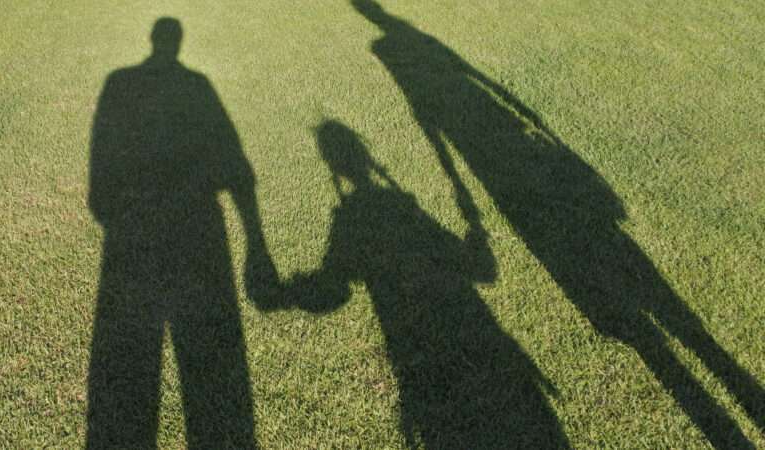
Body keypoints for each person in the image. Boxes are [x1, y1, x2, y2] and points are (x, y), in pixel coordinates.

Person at [351, 1, 764, 446]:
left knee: (648, 315)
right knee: (651, 310)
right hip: (493, 146)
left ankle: (684, 356)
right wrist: (519, 126)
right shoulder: (398, 43)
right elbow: (443, 103)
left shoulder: (393, 45)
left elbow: (438, 107)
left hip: (489, 149)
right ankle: (698, 360)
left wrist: (474, 154)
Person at [285, 120, 570, 448]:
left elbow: (333, 289)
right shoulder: (400, 206)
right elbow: (483, 271)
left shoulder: (350, 217)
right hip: (483, 345)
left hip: (418, 362)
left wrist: (294, 291)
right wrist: (477, 236)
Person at [86, 17, 276, 448]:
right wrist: (255, 242)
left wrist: (111, 213)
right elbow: (236, 166)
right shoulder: (197, 85)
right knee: (211, 373)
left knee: (126, 371)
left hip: (131, 235)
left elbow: (102, 165)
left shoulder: (120, 83)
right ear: (176, 42)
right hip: (201, 231)